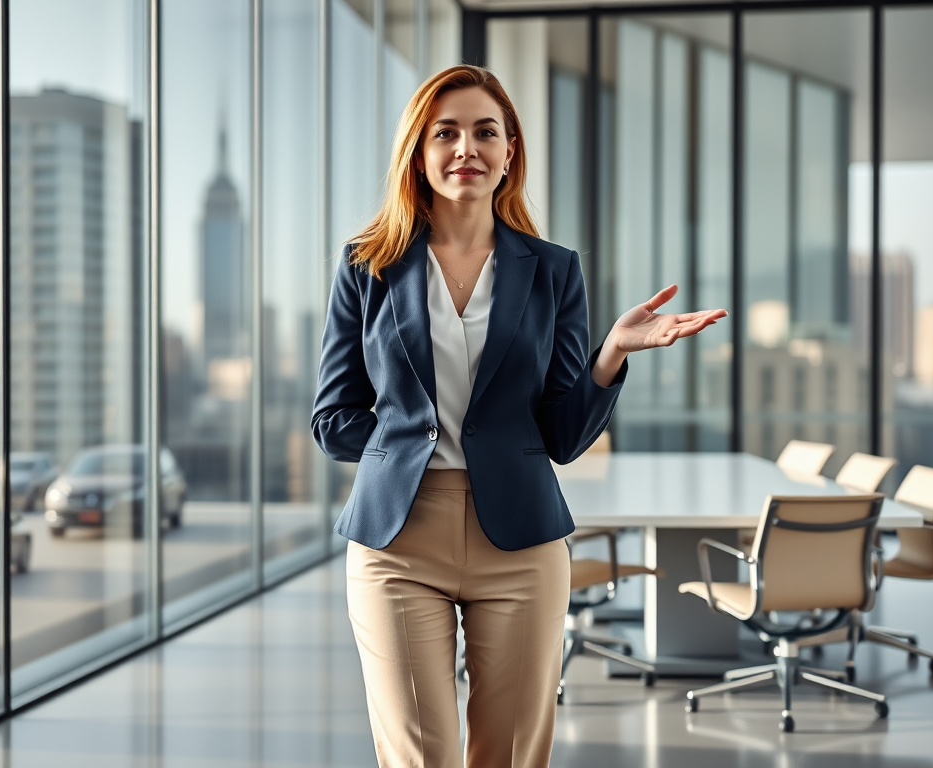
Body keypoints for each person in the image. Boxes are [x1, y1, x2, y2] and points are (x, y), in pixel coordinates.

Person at [311, 64, 727, 768]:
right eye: (446, 132)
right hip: (398, 539)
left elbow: (563, 435)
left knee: (507, 756)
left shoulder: (554, 270)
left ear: (509, 153)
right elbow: (332, 418)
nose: (465, 148)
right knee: (421, 755)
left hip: (522, 544)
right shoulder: (367, 266)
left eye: (484, 132)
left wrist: (611, 354)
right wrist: (416, 435)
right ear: (419, 150)